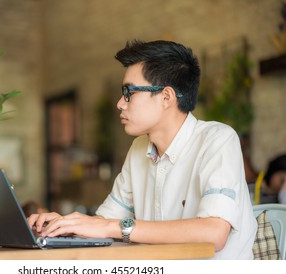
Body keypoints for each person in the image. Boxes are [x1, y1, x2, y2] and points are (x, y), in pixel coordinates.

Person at [28, 39, 257, 259]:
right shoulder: (140, 148)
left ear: (166, 97)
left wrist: (111, 227)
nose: (120, 103)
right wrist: (65, 227)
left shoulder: (217, 139)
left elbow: (213, 234)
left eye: (129, 92)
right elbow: (105, 222)